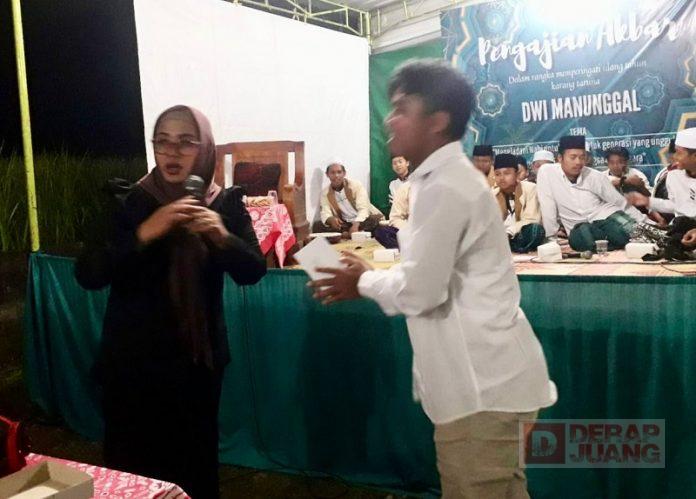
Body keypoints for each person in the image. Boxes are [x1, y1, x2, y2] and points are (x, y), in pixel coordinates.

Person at [308, 59, 556, 499]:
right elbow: (425, 274)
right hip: (485, 387)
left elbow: (422, 289)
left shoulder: (446, 185)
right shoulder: (436, 182)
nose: (389, 119)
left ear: (438, 121)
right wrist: (367, 277)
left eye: (402, 108)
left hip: (483, 392)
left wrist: (363, 282)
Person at [75, 105, 266, 498]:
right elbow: (89, 273)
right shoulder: (130, 201)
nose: (172, 152)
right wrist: (146, 232)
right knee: (134, 471)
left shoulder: (224, 203)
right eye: (162, 142)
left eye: (185, 142)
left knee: (193, 468)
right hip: (132, 365)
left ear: (205, 147)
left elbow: (252, 270)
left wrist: (220, 236)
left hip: (197, 365)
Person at [536, 135, 645, 252]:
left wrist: (645, 222)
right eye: (573, 157)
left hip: (606, 220)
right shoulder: (547, 172)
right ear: (560, 158)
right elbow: (547, 206)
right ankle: (610, 244)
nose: (578, 162)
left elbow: (620, 203)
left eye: (582, 157)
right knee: (580, 237)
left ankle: (625, 240)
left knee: (627, 231)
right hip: (580, 230)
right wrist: (551, 239)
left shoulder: (595, 176)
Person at [629, 128, 696, 256]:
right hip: (683, 225)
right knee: (639, 229)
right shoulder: (674, 175)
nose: (674, 157)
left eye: (679, 153)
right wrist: (647, 201)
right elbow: (677, 206)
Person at [492, 153, 545, 253]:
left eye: (507, 173)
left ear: (516, 174)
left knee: (535, 230)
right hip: (498, 236)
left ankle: (510, 246)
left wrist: (509, 232)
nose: (502, 178)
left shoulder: (530, 189)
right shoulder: (492, 195)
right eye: (497, 174)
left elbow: (532, 219)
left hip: (518, 234)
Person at [319, 162, 384, 237]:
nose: (336, 175)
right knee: (317, 225)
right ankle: (353, 233)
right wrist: (331, 219)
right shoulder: (325, 193)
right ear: (327, 174)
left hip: (363, 219)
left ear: (344, 173)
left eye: (339, 172)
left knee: (375, 219)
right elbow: (325, 212)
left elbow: (364, 208)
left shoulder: (355, 185)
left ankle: (347, 234)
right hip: (345, 223)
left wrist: (356, 224)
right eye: (332, 173)